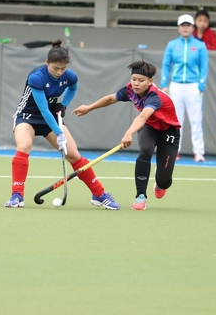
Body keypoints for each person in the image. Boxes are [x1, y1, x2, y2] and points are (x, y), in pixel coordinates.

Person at [5, 39, 120, 210]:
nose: (59, 72)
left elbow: (72, 89)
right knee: (24, 146)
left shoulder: (70, 76)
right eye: (55, 68)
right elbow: (43, 109)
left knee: (73, 155)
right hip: (28, 116)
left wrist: (63, 105)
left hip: (51, 116)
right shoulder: (36, 77)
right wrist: (59, 132)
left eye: (63, 68)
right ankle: (17, 195)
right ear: (47, 63)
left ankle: (99, 194)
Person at [72, 61, 180, 210]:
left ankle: (160, 182)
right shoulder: (130, 90)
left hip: (169, 132)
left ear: (150, 81)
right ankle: (140, 196)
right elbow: (111, 98)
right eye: (134, 79)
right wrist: (88, 108)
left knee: (164, 181)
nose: (136, 83)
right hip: (150, 126)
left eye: (141, 80)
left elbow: (143, 116)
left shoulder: (154, 96)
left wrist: (129, 133)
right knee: (145, 149)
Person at [161, 14, 209, 162]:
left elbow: (204, 67)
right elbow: (166, 65)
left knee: (196, 119)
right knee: (175, 120)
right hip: (176, 86)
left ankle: (198, 152)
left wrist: (201, 86)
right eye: (183, 25)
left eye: (188, 25)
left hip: (193, 85)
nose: (185, 28)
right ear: (178, 28)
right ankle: (174, 151)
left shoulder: (200, 46)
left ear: (193, 28)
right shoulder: (172, 45)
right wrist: (164, 84)